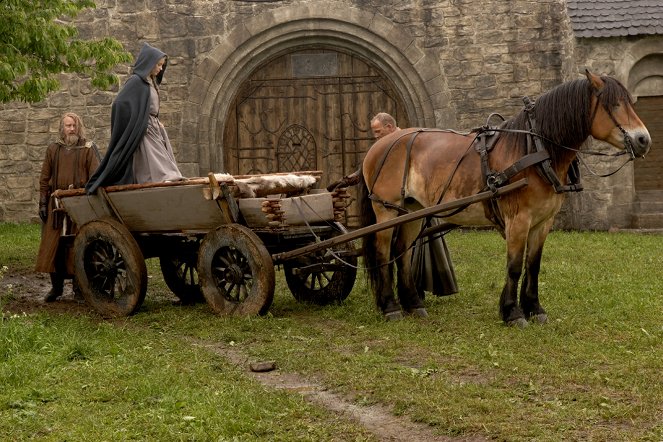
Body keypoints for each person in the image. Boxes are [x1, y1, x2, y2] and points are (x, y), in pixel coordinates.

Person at [86, 42, 184, 194]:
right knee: (153, 157)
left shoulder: (149, 82)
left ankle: (167, 178)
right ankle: (161, 180)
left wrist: (156, 121)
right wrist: (139, 120)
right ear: (149, 63)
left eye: (161, 66)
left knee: (162, 156)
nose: (160, 69)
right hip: (145, 129)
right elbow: (119, 103)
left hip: (154, 127)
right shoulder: (136, 81)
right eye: (158, 65)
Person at [36, 113, 100, 302]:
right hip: (56, 205)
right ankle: (56, 288)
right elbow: (44, 178)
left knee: (78, 246)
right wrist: (42, 201)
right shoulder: (53, 149)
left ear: (79, 127)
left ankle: (79, 288)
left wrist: (85, 200)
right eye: (67, 126)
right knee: (54, 246)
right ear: (62, 128)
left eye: (74, 125)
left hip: (78, 205)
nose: (71, 129)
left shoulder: (87, 149)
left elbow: (95, 178)